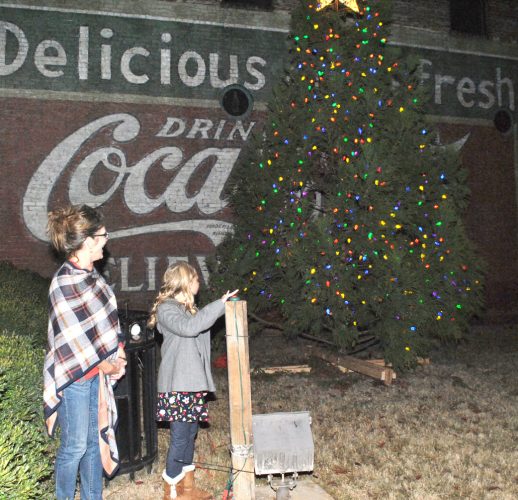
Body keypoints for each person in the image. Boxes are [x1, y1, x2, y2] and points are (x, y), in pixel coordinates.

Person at [43, 205, 127, 500]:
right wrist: (103, 364)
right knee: (75, 446)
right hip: (75, 379)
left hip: (95, 377)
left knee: (93, 444)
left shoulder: (94, 277)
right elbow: (70, 340)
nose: (106, 240)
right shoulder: (64, 283)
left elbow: (106, 323)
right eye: (102, 235)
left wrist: (117, 353)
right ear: (87, 241)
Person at [148, 262, 238, 500]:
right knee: (180, 438)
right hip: (177, 384)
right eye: (196, 279)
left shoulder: (187, 309)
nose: (200, 282)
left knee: (190, 435)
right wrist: (219, 304)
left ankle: (187, 488)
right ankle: (171, 489)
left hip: (190, 383)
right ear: (185, 282)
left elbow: (198, 329)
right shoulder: (167, 309)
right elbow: (190, 329)